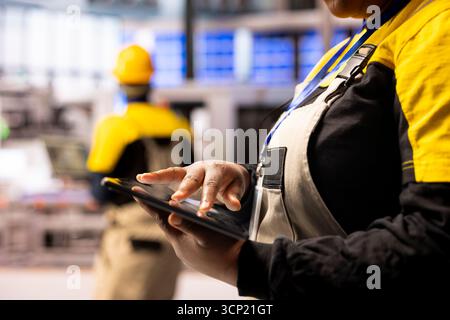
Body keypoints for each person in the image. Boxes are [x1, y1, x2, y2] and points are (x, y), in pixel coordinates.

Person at [133, 0, 450, 299]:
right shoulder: (346, 53)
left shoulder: (436, 30)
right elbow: (348, 180)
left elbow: (434, 239)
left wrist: (247, 263)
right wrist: (246, 186)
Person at [87, 44, 190, 299]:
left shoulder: (115, 127)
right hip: (171, 236)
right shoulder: (179, 125)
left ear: (119, 82)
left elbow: (98, 191)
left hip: (131, 239)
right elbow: (191, 179)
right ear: (150, 79)